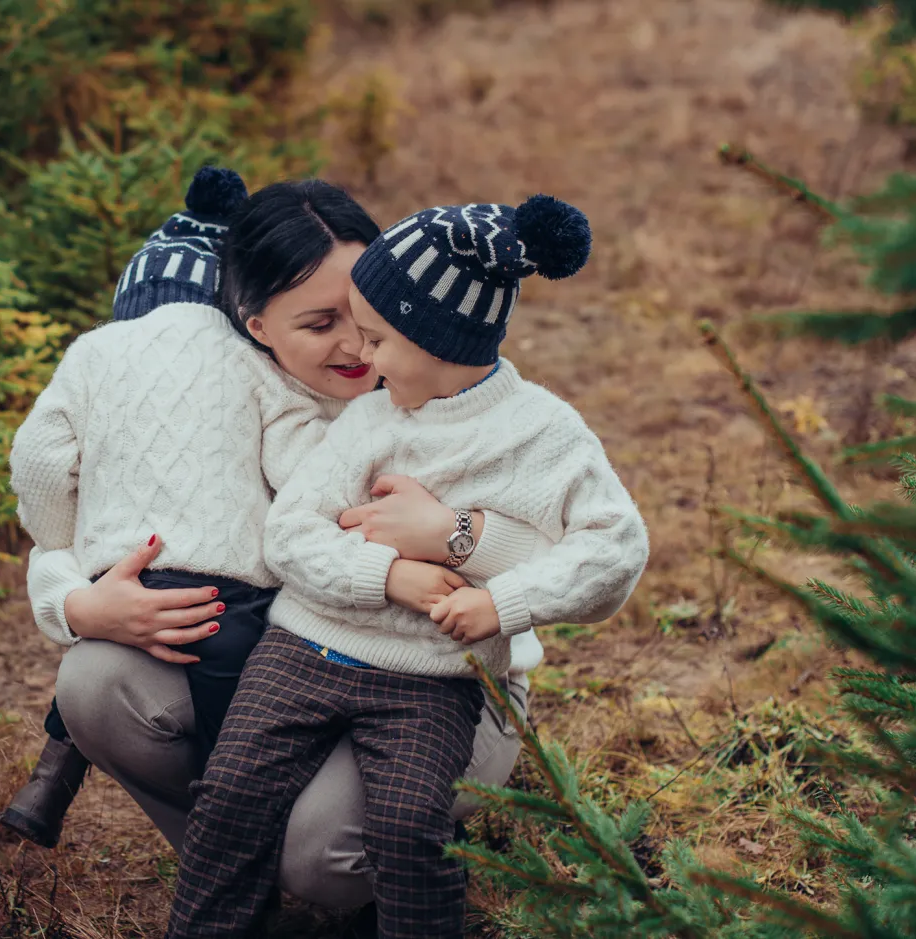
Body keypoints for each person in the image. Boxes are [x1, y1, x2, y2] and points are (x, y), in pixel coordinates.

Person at [165, 196, 650, 939]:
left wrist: (505, 602)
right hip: (301, 649)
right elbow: (290, 533)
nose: (365, 356)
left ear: (439, 339)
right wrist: (387, 576)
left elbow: (615, 549)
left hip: (432, 678)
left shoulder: (545, 436)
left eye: (379, 338)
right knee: (230, 793)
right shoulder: (370, 420)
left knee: (406, 823)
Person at [0, 174, 488, 852]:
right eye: (320, 323)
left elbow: (42, 464)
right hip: (294, 641)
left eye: (365, 312)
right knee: (102, 681)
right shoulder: (261, 381)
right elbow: (311, 493)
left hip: (443, 674)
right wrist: (78, 603)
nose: (356, 345)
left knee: (315, 841)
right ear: (254, 327)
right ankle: (238, 851)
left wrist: (451, 534)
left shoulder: (443, 368)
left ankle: (277, 844)